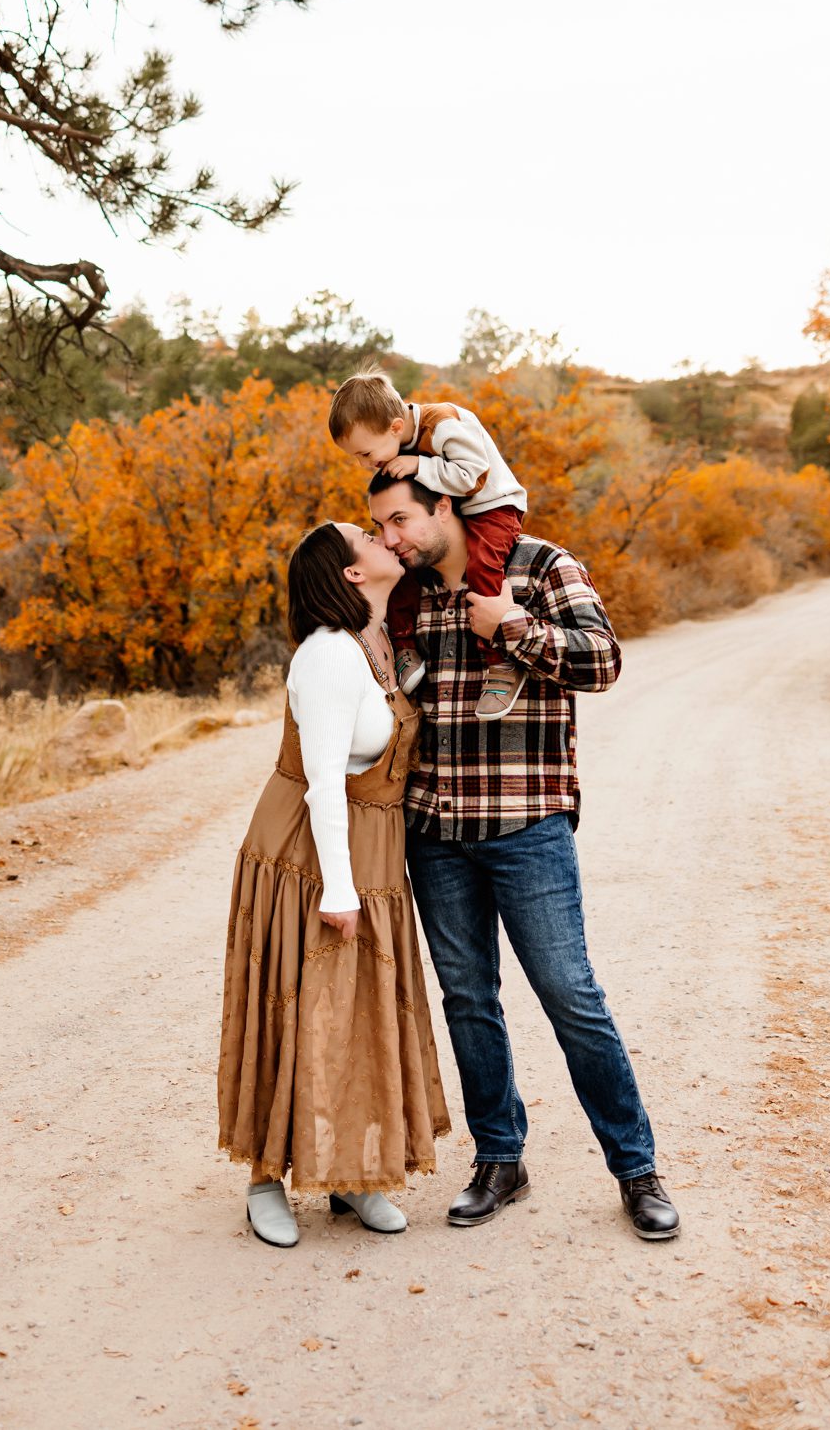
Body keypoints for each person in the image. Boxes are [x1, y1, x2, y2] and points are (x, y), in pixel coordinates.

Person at [366, 471, 680, 1243]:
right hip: (435, 831)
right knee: (468, 998)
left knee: (571, 995)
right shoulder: (409, 595)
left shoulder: (540, 567)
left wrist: (510, 626)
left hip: (526, 823)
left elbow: (603, 661)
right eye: (380, 525)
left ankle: (636, 1169)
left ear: (444, 505)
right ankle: (501, 1157)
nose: (392, 536)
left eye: (401, 518)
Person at [215, 521, 452, 1247]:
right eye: (368, 538)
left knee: (354, 1007)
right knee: (294, 1005)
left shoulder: (375, 639)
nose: (385, 539)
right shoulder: (326, 655)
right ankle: (264, 1176)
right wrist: (340, 889)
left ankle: (349, 1173)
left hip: (368, 851)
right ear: (352, 575)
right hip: (311, 854)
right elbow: (323, 780)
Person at [328, 373, 529, 721]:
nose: (363, 464)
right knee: (401, 568)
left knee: (483, 568)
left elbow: (474, 476)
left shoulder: (443, 424)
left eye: (365, 453)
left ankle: (501, 664)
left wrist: (421, 464)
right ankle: (405, 648)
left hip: (493, 505)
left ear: (394, 427)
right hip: (458, 509)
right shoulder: (396, 439)